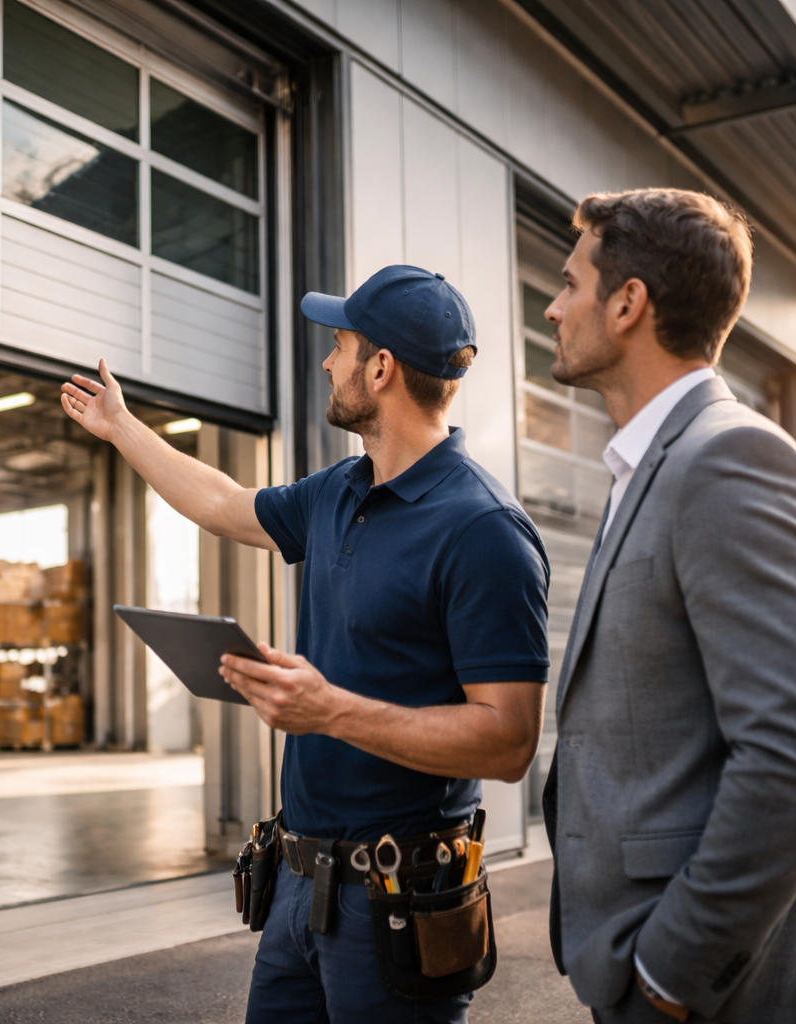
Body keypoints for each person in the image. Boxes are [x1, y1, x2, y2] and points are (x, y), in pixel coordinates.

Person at [60, 265, 551, 1023]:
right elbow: (224, 504)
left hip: (398, 903)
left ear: (380, 368)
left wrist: (330, 711)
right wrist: (123, 427)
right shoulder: (338, 491)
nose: (328, 361)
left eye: (340, 345)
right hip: (298, 887)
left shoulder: (482, 530)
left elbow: (509, 742)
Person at [540, 188, 796, 1024]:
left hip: (720, 993)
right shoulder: (652, 464)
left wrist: (669, 977)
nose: (552, 305)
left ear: (627, 304)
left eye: (570, 284)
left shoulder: (730, 461)